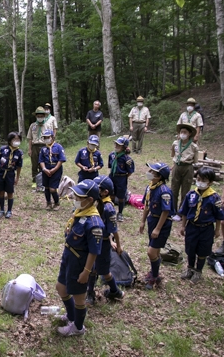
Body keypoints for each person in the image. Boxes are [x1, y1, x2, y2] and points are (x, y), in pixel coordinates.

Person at [55, 179, 104, 337]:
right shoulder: (80, 213)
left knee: (79, 297)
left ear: (90, 200)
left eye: (78, 197)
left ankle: (78, 327)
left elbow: (94, 251)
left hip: (80, 263)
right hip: (69, 257)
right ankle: (71, 316)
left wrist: (86, 271)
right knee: (60, 288)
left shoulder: (94, 223)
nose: (75, 199)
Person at [179, 167, 224, 284]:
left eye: (203, 180)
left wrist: (217, 230)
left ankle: (198, 271)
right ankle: (190, 268)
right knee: (190, 248)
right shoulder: (191, 194)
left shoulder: (214, 197)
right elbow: (184, 212)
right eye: (198, 179)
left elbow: (219, 215)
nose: (200, 182)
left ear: (210, 182)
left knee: (203, 250)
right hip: (192, 226)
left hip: (206, 228)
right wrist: (183, 226)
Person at [85, 175, 124, 304]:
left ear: (105, 192)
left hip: (104, 243)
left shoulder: (108, 208)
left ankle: (116, 291)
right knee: (91, 268)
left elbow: (114, 229)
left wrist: (117, 245)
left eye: (97, 189)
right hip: (95, 240)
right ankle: (90, 293)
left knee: (104, 272)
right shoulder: (97, 202)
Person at [139, 162, 174, 290]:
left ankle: (154, 276)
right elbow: (147, 205)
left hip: (162, 223)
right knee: (156, 250)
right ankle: (156, 274)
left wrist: (158, 228)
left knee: (151, 252)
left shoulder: (164, 192)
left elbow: (166, 211)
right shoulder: (150, 187)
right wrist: (143, 221)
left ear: (159, 176)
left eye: (152, 171)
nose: (149, 172)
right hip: (152, 220)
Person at [170, 123, 199, 218]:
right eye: (181, 132)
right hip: (177, 167)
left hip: (188, 167)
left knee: (185, 191)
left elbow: (195, 160)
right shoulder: (175, 143)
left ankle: (181, 212)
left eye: (185, 132)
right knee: (174, 189)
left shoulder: (193, 146)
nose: (182, 134)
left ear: (189, 134)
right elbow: (173, 155)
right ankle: (173, 210)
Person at [0, 132, 23, 218]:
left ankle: (9, 210)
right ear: (10, 141)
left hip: (10, 174)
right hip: (0, 173)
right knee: (1, 192)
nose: (16, 141)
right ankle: (2, 209)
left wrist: (17, 178)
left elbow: (19, 166)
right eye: (14, 139)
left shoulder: (19, 152)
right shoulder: (3, 149)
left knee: (10, 192)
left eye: (18, 140)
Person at [27, 106, 56, 185]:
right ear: (36, 116)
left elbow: (51, 137)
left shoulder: (48, 125)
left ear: (44, 116)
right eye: (38, 116)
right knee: (34, 164)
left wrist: (51, 148)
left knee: (43, 163)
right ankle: (35, 180)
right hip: (35, 146)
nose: (40, 117)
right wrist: (29, 149)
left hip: (44, 146)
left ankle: (42, 179)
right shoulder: (32, 126)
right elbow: (30, 138)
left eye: (41, 116)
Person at [39, 130, 67, 211]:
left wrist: (54, 169)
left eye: (48, 137)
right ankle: (48, 203)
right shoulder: (43, 149)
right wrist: (44, 169)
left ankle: (57, 202)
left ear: (52, 137)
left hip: (56, 169)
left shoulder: (58, 147)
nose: (46, 139)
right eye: (45, 137)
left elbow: (61, 160)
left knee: (52, 189)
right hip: (45, 170)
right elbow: (41, 161)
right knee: (46, 188)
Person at [108, 137, 134, 222]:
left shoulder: (127, 159)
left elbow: (130, 172)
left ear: (124, 147)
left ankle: (120, 213)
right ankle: (110, 211)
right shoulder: (111, 155)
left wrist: (123, 177)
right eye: (116, 144)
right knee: (111, 193)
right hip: (112, 176)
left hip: (121, 178)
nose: (116, 146)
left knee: (121, 196)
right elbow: (110, 166)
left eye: (119, 145)